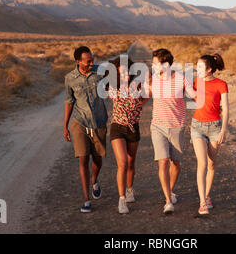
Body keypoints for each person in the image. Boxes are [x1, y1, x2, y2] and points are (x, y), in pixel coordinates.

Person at [146, 49, 195, 214]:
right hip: (157, 125)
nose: (152, 65)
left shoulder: (181, 79)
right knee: (163, 161)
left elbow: (194, 96)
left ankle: (170, 190)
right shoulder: (152, 79)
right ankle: (168, 201)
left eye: (155, 63)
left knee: (176, 163)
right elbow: (143, 95)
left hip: (177, 126)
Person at [63, 46, 108, 213]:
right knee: (83, 159)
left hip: (99, 122)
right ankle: (86, 199)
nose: (91, 63)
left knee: (97, 160)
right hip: (80, 123)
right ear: (78, 61)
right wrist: (65, 125)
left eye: (92, 60)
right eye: (88, 61)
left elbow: (115, 84)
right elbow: (69, 101)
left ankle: (94, 180)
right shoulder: (70, 78)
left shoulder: (100, 72)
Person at [107, 57, 148, 214]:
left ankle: (130, 189)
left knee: (131, 163)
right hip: (118, 127)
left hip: (133, 128)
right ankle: (122, 199)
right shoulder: (113, 86)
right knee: (123, 163)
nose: (125, 73)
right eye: (121, 71)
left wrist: (138, 104)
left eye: (127, 70)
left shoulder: (138, 85)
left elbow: (146, 96)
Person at [191, 53, 229, 215]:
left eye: (200, 67)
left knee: (212, 164)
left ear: (210, 69)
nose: (197, 69)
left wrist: (223, 130)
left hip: (214, 127)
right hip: (197, 126)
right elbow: (195, 99)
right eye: (197, 66)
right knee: (203, 164)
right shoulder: (196, 82)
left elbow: (226, 108)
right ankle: (202, 203)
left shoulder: (221, 84)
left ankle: (206, 196)